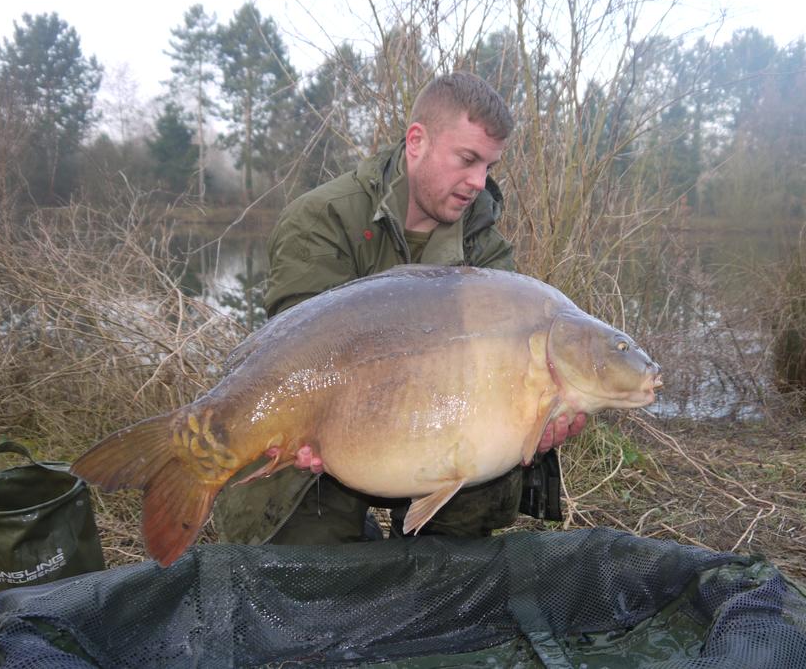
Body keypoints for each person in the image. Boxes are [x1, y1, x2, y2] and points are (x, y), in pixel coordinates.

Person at [212, 71, 585, 546]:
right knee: (306, 539)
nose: (478, 182)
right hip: (339, 429)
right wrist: (299, 426)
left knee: (491, 475)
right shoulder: (323, 218)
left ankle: (429, 571)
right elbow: (296, 348)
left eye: (489, 166)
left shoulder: (485, 249)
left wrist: (534, 423)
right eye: (467, 159)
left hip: (438, 429)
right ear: (416, 141)